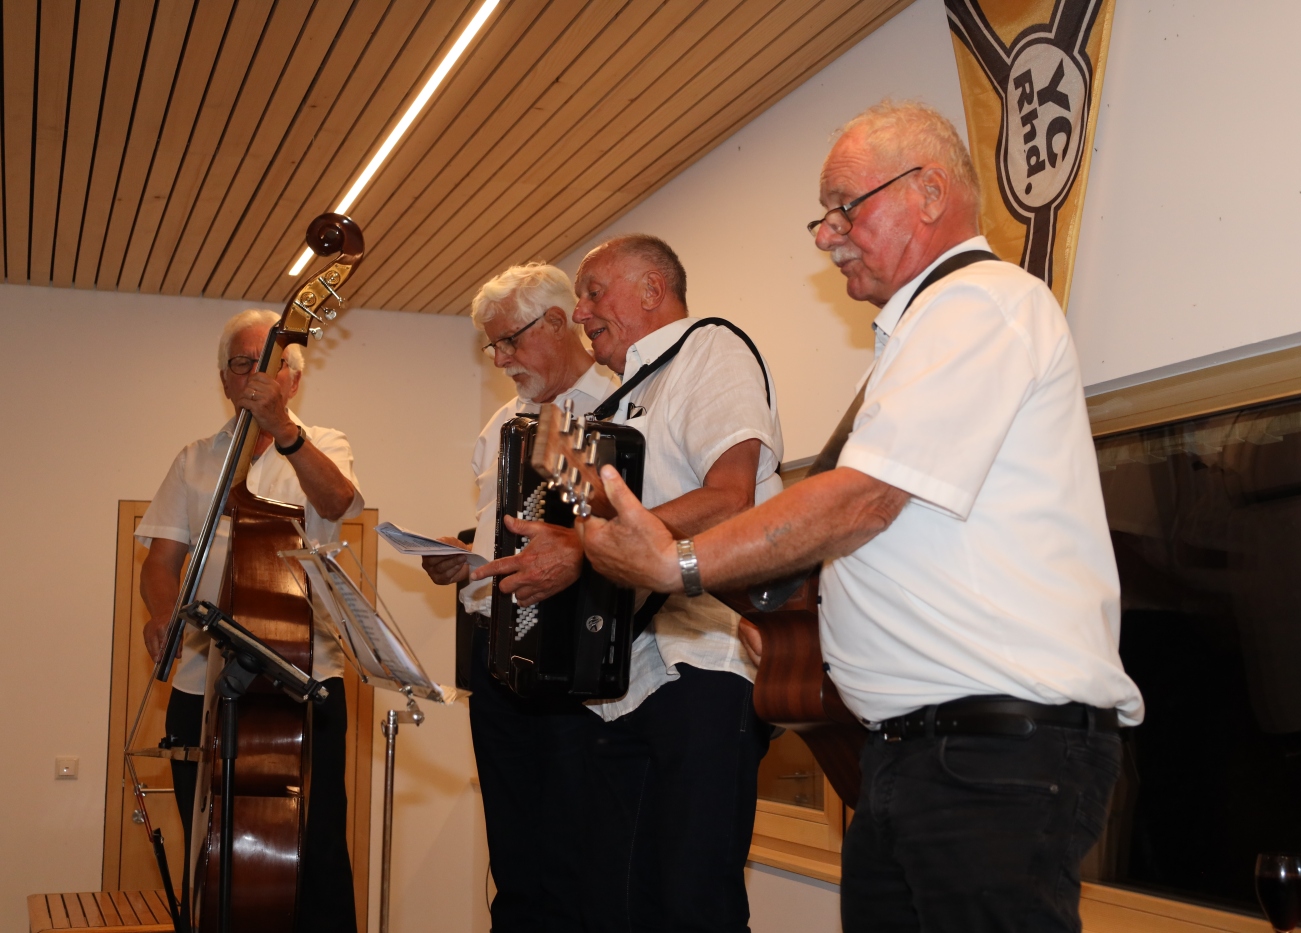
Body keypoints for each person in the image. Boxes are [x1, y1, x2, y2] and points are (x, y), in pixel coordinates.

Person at [575, 101, 1145, 933]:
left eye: (846, 206)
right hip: (908, 753)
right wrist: (800, 625)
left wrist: (678, 564)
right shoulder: (917, 336)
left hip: (991, 754)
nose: (828, 235)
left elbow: (864, 499)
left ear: (928, 192)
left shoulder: (980, 304)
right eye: (824, 215)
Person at [471, 235, 783, 932]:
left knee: (692, 905)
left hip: (704, 668)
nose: (581, 312)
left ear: (652, 289)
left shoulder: (709, 348)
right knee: (613, 906)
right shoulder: (618, 400)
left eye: (593, 292)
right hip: (626, 685)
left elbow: (731, 497)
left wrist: (581, 549)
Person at [137, 309, 363, 933]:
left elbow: (337, 500)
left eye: (270, 364)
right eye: (243, 364)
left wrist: (283, 430)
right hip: (201, 682)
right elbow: (161, 562)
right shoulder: (194, 459)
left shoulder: (325, 443)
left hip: (304, 679)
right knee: (206, 846)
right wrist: (163, 611)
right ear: (225, 379)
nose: (255, 376)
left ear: (293, 379)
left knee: (315, 845)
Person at [419, 262, 615, 931]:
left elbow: (619, 535)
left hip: (572, 661)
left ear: (557, 322)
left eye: (509, 340)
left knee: (572, 858)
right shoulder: (502, 423)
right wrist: (460, 555)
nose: (500, 358)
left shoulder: (614, 408)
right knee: (513, 859)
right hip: (493, 655)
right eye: (492, 346)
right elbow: (499, 526)